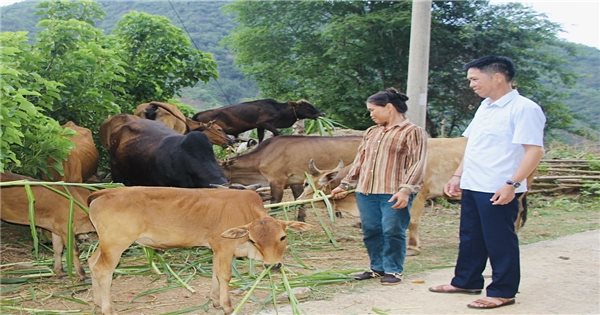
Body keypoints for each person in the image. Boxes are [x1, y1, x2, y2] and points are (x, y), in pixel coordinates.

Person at [428, 56, 546, 309]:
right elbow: (473, 146)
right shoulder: (486, 107)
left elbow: (534, 151)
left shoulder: (524, 108)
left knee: (499, 239)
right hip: (473, 182)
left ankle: (503, 291)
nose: (471, 84)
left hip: (498, 186)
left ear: (497, 77)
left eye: (474, 79)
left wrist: (512, 184)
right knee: (470, 236)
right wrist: (458, 175)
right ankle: (466, 280)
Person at [331, 87, 428, 285]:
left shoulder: (413, 132)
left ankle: (393, 269)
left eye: (373, 110)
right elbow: (360, 160)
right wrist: (345, 184)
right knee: (371, 230)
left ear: (389, 108)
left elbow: (418, 163)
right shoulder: (371, 132)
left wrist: (405, 190)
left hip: (394, 192)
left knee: (392, 230)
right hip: (366, 191)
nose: (371, 114)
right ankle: (377, 268)